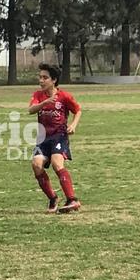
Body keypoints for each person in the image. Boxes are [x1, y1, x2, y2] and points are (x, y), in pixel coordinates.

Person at [28, 64, 82, 214]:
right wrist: (45, 103)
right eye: (40, 77)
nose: (41, 80)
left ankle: (72, 199)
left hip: (59, 136)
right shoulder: (38, 95)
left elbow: (77, 110)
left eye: (45, 78)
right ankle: (53, 198)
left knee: (56, 163)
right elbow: (31, 110)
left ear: (54, 80)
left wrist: (73, 125)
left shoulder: (64, 96)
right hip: (43, 138)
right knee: (36, 165)